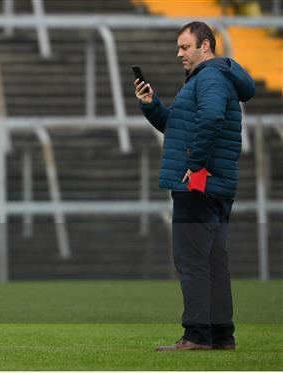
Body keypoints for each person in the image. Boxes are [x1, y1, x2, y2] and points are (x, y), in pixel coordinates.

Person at [134, 21, 255, 351]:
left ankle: (198, 335)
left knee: (192, 261)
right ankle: (220, 335)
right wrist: (151, 106)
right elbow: (177, 127)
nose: (179, 54)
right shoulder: (208, 79)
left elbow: (213, 118)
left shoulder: (211, 76)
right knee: (214, 261)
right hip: (214, 185)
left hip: (200, 185)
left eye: (185, 47)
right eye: (178, 47)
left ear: (206, 46)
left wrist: (196, 165)